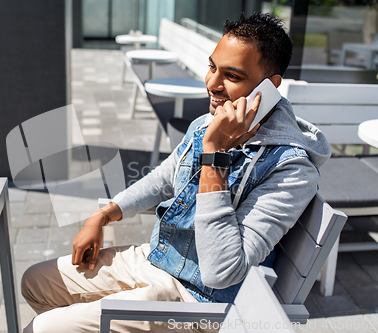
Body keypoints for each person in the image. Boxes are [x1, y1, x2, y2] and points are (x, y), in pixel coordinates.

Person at [21, 12, 330, 332]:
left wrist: (214, 156)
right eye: (212, 67)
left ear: (270, 87)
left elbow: (222, 272)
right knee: (35, 282)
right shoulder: (206, 125)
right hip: (160, 258)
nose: (212, 83)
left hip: (198, 300)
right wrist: (104, 214)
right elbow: (164, 177)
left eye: (232, 76)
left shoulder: (291, 169)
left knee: (42, 328)